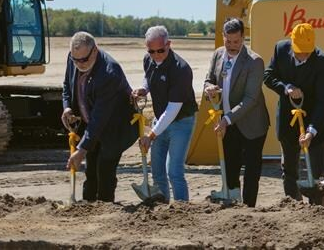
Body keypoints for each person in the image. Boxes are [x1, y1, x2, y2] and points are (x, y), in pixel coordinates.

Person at [61, 31, 137, 202]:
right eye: (75, 60)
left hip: (115, 127)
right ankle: (88, 206)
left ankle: (106, 207)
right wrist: (67, 108)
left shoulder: (109, 73)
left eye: (84, 60)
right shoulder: (74, 57)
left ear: (94, 50)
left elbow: (100, 117)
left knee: (104, 170)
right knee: (91, 171)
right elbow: (67, 85)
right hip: (92, 124)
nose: (79, 64)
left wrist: (81, 150)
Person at [203, 18, 270, 207]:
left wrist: (227, 119)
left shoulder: (255, 61)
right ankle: (233, 203)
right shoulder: (218, 54)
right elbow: (208, 80)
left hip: (252, 125)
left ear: (243, 38)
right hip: (227, 123)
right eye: (228, 41)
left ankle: (249, 209)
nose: (232, 46)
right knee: (230, 166)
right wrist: (208, 88)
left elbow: (250, 99)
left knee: (251, 172)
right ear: (223, 37)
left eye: (236, 41)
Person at [263, 23, 324, 205]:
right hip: (289, 119)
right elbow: (268, 76)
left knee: (318, 173)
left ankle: (319, 210)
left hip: (315, 121)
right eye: (299, 51)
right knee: (289, 170)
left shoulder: (323, 62)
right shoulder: (280, 50)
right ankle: (293, 206)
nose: (303, 56)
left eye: (307, 52)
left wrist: (311, 131)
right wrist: (286, 88)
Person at [131, 26, 197, 202]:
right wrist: (144, 88)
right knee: (157, 170)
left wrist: (151, 135)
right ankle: (162, 207)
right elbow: (149, 76)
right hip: (161, 120)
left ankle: (182, 209)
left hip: (181, 122)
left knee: (173, 171)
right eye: (151, 51)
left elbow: (173, 109)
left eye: (160, 50)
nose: (156, 55)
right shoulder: (149, 59)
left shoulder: (181, 69)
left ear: (169, 44)